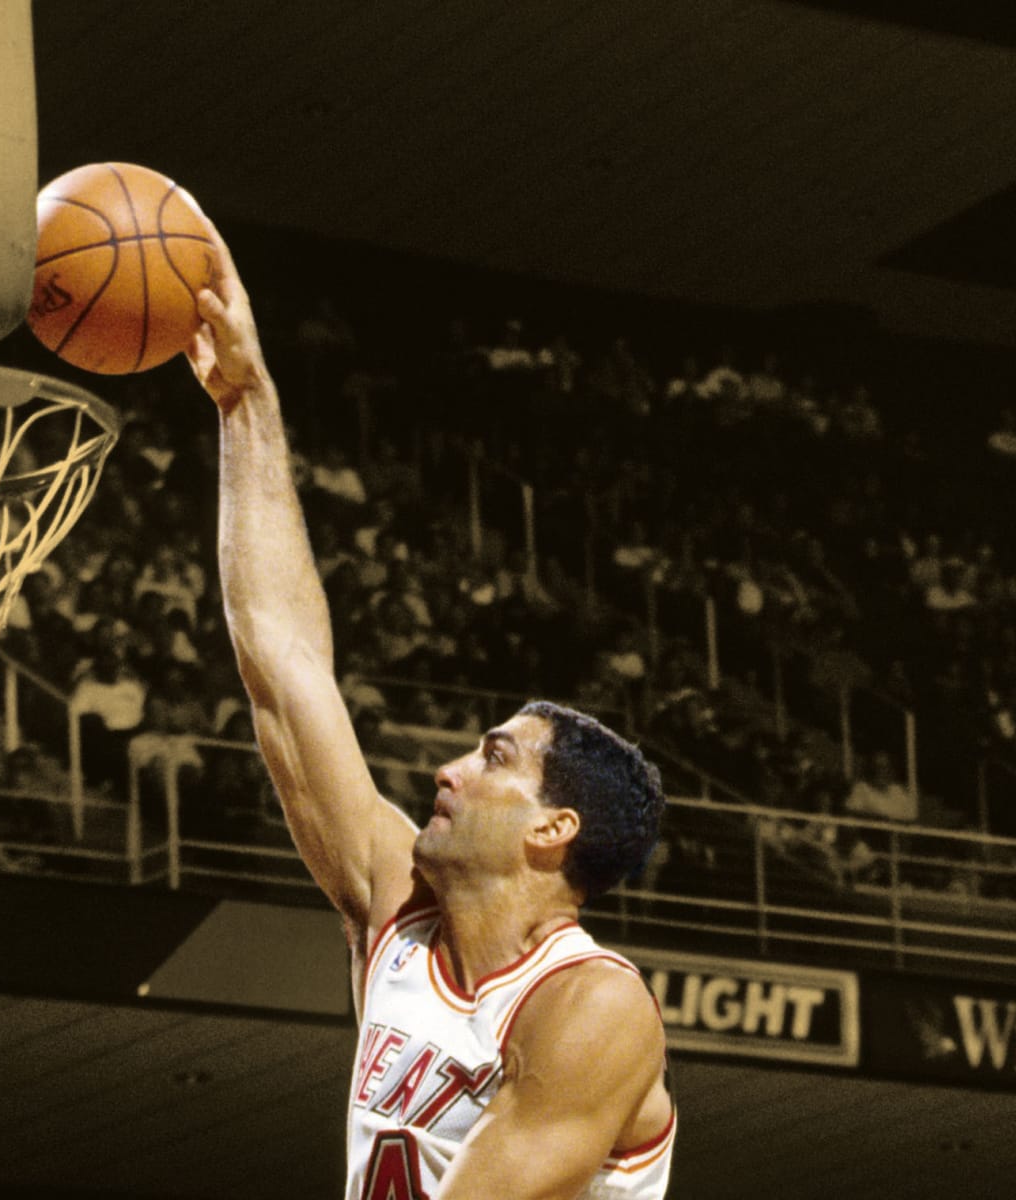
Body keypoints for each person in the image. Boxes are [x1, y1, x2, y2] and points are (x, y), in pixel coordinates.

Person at [186, 227, 676, 1200]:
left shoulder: (593, 1004)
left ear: (553, 826)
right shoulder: (398, 908)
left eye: (494, 758)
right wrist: (247, 401)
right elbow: (284, 665)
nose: (446, 770)